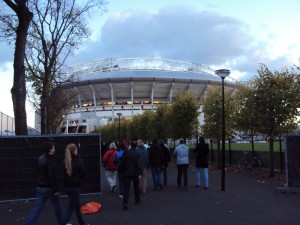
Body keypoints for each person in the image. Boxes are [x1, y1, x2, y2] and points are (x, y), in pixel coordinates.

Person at [25, 142, 63, 225]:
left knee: (37, 208)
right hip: (49, 188)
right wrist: (56, 190)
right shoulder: (50, 161)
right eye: (53, 147)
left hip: (40, 187)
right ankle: (62, 223)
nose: (54, 149)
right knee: (57, 206)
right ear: (50, 150)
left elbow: (39, 172)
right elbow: (52, 177)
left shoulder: (40, 158)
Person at [62, 143, 88, 225]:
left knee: (76, 205)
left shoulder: (65, 161)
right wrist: (80, 176)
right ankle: (63, 222)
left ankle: (81, 222)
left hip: (67, 187)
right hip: (75, 187)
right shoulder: (78, 161)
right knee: (71, 208)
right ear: (74, 151)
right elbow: (84, 174)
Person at [121, 140, 142, 210]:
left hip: (127, 172)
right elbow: (139, 165)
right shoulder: (138, 154)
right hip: (135, 172)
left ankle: (125, 202)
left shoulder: (126, 152)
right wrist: (139, 173)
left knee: (126, 188)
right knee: (136, 187)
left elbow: (123, 161)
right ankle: (137, 200)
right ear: (136, 146)